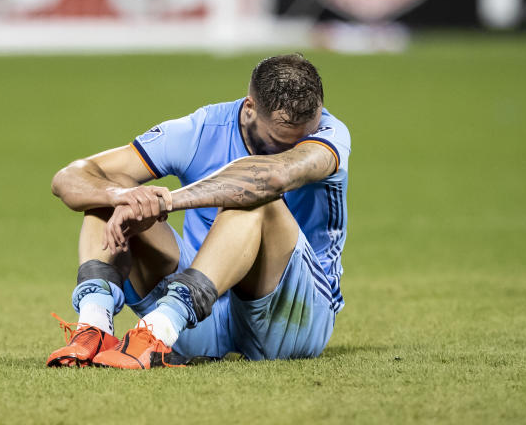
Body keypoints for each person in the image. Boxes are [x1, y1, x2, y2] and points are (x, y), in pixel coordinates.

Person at [47, 53, 349, 369]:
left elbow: (269, 178)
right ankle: (95, 325)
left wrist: (166, 202)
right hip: (201, 315)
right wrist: (122, 195)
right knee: (114, 190)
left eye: (301, 140)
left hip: (292, 318)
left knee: (257, 198)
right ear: (249, 108)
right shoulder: (200, 130)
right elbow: (68, 178)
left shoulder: (330, 135)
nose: (291, 148)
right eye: (277, 141)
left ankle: (159, 328)